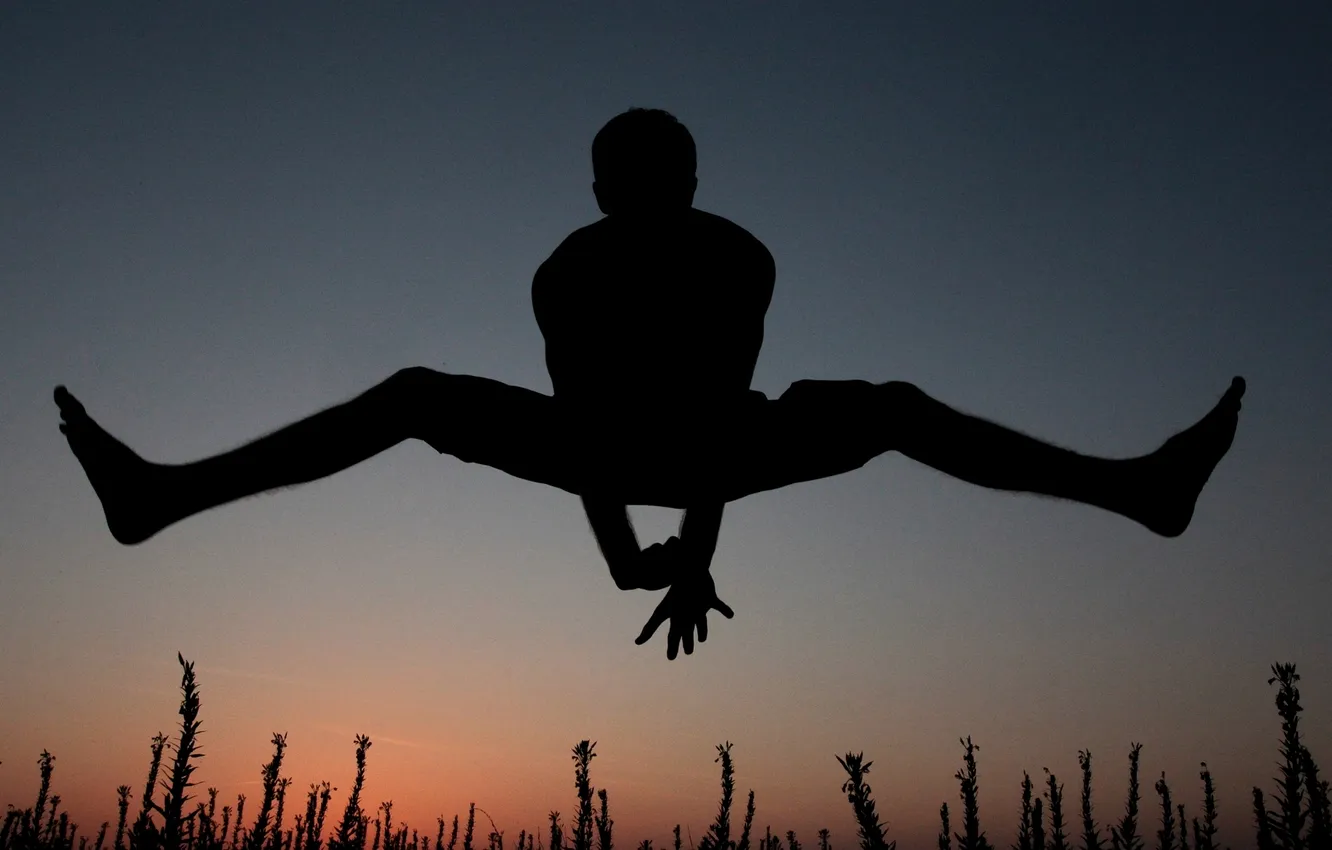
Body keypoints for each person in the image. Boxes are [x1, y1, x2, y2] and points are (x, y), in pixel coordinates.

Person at [54, 108, 1245, 660]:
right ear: (682, 176)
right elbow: (715, 426)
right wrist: (677, 553)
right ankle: (1134, 491)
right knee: (886, 409)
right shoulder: (728, 254)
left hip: (625, 450)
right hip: (702, 447)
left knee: (416, 395)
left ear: (600, 185)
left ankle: (165, 498)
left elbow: (592, 433)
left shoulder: (576, 263)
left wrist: (638, 554)